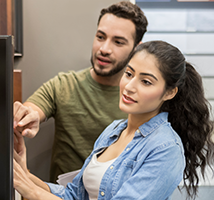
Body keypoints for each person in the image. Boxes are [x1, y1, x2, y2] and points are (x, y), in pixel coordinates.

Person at [13, 40, 214, 200]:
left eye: (146, 82)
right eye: (129, 74)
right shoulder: (114, 130)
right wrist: (25, 175)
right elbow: (75, 195)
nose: (129, 86)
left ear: (169, 93)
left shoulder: (166, 148)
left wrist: (31, 191)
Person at [13, 1, 148, 183]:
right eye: (100, 37)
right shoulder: (64, 85)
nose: (104, 49)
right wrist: (28, 116)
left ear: (136, 48)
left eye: (118, 42)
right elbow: (33, 109)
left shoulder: (144, 100)